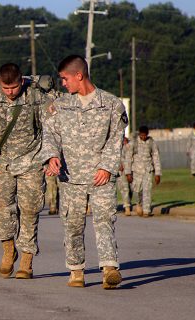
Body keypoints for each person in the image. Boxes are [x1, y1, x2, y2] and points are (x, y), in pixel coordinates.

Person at [43, 55, 128, 289]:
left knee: (104, 221)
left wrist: (107, 167)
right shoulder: (60, 106)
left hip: (101, 175)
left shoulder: (111, 104)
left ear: (78, 76)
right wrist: (51, 156)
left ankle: (110, 268)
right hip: (71, 177)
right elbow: (50, 134)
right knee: (72, 224)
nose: (63, 84)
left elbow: (116, 138)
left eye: (64, 78)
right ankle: (76, 269)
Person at [0, 63, 51, 279]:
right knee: (0, 206)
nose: (10, 92)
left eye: (13, 87)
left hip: (31, 160)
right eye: (6, 88)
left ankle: (26, 260)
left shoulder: (36, 98)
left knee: (30, 209)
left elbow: (53, 129)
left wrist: (50, 156)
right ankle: (8, 250)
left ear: (21, 81)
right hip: (2, 162)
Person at [124, 126, 161, 217]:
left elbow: (156, 158)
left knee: (147, 190)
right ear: (139, 134)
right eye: (142, 135)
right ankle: (139, 204)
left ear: (147, 134)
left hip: (148, 170)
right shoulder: (134, 143)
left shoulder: (152, 143)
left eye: (145, 135)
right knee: (137, 191)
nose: (143, 137)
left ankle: (146, 211)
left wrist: (157, 173)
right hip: (136, 171)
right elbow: (128, 158)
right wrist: (128, 173)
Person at [118, 137, 132, 216]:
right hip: (119, 170)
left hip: (129, 170)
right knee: (123, 189)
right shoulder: (115, 144)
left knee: (129, 189)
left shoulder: (129, 145)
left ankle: (128, 206)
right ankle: (127, 206)